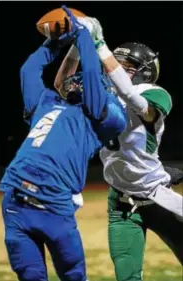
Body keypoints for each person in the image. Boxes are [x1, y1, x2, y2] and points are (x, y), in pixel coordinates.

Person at [0, 8, 127, 281]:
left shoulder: (105, 116)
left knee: (73, 275)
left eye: (82, 82)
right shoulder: (45, 103)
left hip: (54, 204)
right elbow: (30, 69)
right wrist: (54, 40)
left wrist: (84, 37)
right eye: (74, 79)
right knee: (30, 275)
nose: (77, 81)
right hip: (15, 200)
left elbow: (92, 75)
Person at [85, 18, 183, 281]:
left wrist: (100, 45)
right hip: (121, 204)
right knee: (127, 277)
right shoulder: (101, 97)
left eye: (125, 67)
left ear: (144, 72)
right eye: (115, 64)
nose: (113, 70)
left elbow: (132, 98)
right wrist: (75, 46)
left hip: (158, 199)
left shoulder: (154, 93)